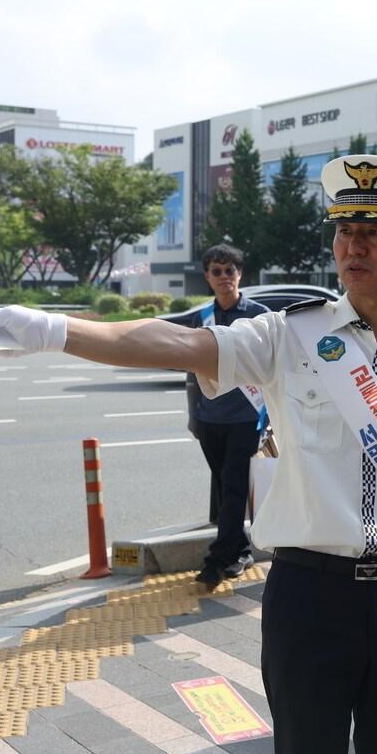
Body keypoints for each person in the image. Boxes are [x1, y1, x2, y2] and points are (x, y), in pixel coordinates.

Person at [0, 154, 377, 754]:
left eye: (374, 233)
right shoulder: (289, 336)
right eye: (345, 231)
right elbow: (174, 342)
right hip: (310, 596)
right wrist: (51, 329)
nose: (353, 247)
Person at [165, 243, 269, 587]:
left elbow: (271, 368)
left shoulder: (258, 315)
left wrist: (270, 418)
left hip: (245, 417)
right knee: (225, 486)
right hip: (209, 418)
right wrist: (193, 415)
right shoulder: (202, 318)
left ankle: (217, 560)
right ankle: (240, 550)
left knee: (235, 486)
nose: (225, 277)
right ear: (207, 277)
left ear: (240, 274)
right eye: (217, 271)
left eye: (230, 270)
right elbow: (192, 370)